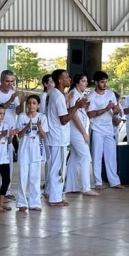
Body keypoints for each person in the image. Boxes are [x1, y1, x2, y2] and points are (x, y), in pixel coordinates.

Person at [45, 69, 87, 207]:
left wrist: (74, 106)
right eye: (66, 77)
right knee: (58, 168)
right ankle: (55, 198)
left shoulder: (56, 94)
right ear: (60, 80)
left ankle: (55, 196)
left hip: (55, 137)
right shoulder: (57, 96)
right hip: (58, 138)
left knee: (55, 166)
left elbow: (63, 113)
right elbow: (64, 119)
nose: (69, 79)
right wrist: (77, 106)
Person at [86, 71, 122, 191]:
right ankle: (98, 182)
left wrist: (115, 111)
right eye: (102, 82)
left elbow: (115, 110)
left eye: (106, 81)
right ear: (96, 82)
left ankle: (114, 181)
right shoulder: (91, 96)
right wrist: (105, 109)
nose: (104, 84)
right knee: (97, 156)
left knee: (111, 156)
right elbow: (90, 114)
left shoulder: (111, 94)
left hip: (109, 128)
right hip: (97, 129)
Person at [65, 74, 97, 197]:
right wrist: (84, 132)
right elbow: (74, 115)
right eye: (83, 81)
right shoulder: (74, 95)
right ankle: (86, 187)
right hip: (76, 130)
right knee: (85, 156)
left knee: (75, 157)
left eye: (86, 81)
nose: (85, 83)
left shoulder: (79, 95)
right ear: (77, 82)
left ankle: (71, 186)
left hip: (78, 129)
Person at [16, 95, 48, 212]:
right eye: (29, 103)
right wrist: (26, 127)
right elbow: (18, 135)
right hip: (24, 148)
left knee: (35, 177)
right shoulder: (21, 117)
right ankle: (21, 203)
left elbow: (44, 135)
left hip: (36, 148)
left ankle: (35, 203)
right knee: (23, 176)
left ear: (38, 105)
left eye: (34, 103)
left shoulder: (42, 117)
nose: (31, 105)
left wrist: (39, 127)